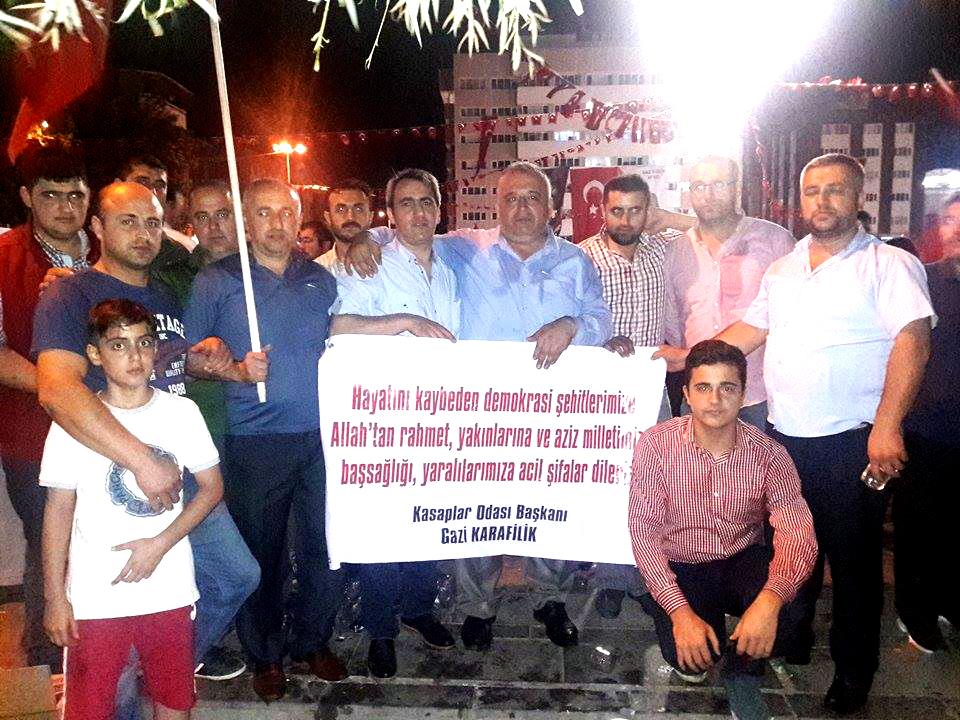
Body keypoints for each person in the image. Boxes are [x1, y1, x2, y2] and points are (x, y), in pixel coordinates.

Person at [658, 154, 934, 714]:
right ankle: (794, 640)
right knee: (790, 550)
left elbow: (913, 341)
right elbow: (749, 330)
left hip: (850, 442)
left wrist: (887, 425)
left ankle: (853, 672)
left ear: (859, 198)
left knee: (852, 563)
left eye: (835, 190)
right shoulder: (784, 267)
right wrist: (690, 358)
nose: (822, 202)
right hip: (783, 440)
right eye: (813, 192)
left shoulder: (888, 264)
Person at [347, 161, 613, 651]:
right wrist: (366, 236)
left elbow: (600, 316)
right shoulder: (467, 248)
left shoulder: (576, 261)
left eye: (533, 197)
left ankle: (550, 597)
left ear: (551, 207)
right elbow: (410, 231)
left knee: (550, 501)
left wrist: (573, 326)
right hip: (480, 413)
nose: (522, 208)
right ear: (497, 207)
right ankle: (477, 605)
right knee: (478, 504)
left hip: (554, 412)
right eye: (511, 198)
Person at [31, 182, 258, 706]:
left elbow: (170, 365)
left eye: (153, 222)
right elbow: (56, 389)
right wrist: (142, 460)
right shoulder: (70, 293)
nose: (143, 233)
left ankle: (147, 678)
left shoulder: (166, 293)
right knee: (116, 602)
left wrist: (217, 362)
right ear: (98, 228)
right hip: (113, 472)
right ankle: (124, 687)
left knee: (236, 576)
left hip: (178, 467)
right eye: (127, 221)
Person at [184, 178, 346, 701]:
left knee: (325, 545)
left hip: (323, 438)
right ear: (246, 222)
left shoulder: (320, 279)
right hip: (256, 440)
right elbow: (188, 359)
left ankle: (312, 639)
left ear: (299, 218)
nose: (276, 223)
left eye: (285, 213)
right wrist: (232, 367)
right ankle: (266, 653)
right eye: (263, 213)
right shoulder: (217, 280)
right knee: (263, 553)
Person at [41, 299, 223, 720]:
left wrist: (160, 544)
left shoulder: (182, 413)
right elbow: (57, 512)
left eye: (143, 343)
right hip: (96, 597)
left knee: (174, 703)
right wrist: (55, 598)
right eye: (118, 345)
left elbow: (212, 488)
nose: (135, 356)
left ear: (156, 348)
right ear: (95, 354)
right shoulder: (74, 421)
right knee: (88, 709)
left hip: (169, 589)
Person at [630, 340, 816, 719]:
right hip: (683, 562)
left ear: (743, 395)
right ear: (686, 394)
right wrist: (679, 612)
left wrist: (769, 600)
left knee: (790, 612)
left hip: (740, 556)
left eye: (727, 388)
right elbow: (644, 533)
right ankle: (681, 614)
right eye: (703, 387)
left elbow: (798, 533)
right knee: (689, 656)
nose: (715, 400)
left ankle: (744, 670)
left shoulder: (769, 454)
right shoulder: (655, 446)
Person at [331, 168, 457, 678]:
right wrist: (406, 322)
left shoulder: (448, 269)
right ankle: (380, 628)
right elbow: (338, 325)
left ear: (440, 209)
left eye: (427, 202)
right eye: (406, 203)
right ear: (391, 214)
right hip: (384, 422)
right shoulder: (371, 262)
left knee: (427, 517)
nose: (418, 212)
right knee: (382, 525)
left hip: (440, 418)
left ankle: (418, 609)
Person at [0, 139, 93, 673]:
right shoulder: (4, 257)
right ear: (26, 197)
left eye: (75, 194)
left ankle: (99, 656)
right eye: (50, 195)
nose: (65, 206)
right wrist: (62, 388)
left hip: (109, 429)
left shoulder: (109, 246)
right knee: (49, 545)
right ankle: (48, 667)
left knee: (99, 540)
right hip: (33, 433)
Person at [579, 173, 681, 619]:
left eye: (635, 210)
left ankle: (645, 575)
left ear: (648, 209)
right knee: (607, 486)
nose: (625, 219)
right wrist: (602, 342)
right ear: (603, 210)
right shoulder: (582, 256)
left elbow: (714, 224)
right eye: (616, 210)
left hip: (651, 389)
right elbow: (576, 317)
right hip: (601, 390)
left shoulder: (665, 248)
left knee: (652, 487)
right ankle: (610, 577)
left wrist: (667, 217)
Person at [663, 156, 794, 429]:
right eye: (699, 186)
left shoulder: (775, 241)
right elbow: (674, 323)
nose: (708, 195)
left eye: (719, 184)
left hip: (759, 396)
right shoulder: (676, 251)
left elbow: (791, 318)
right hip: (699, 396)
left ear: (737, 188)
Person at [892, 192, 960, 652]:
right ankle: (916, 613)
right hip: (925, 427)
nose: (955, 229)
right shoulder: (924, 280)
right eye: (949, 220)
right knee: (919, 527)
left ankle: (951, 601)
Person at [316, 178, 374, 276]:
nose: (350, 217)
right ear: (328, 217)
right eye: (341, 210)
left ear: (370, 217)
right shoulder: (317, 272)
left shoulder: (389, 263)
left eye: (358, 209)